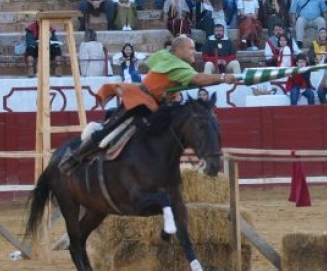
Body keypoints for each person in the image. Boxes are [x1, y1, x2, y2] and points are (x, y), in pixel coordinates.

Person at [60, 34, 239, 173]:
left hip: (156, 105)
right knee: (112, 131)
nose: (194, 52)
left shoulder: (167, 57)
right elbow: (198, 78)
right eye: (191, 49)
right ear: (178, 51)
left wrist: (222, 80)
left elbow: (193, 80)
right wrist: (223, 77)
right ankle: (75, 158)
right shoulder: (176, 65)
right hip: (141, 102)